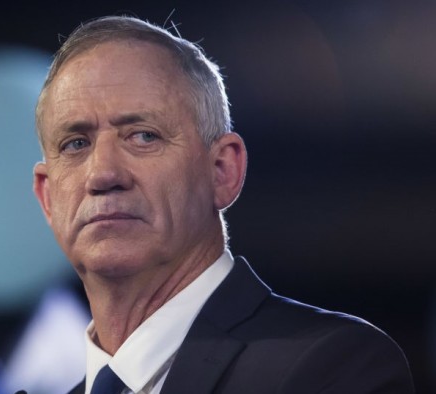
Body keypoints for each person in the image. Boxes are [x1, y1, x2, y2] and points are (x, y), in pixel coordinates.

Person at [31, 15, 414, 393]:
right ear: (48, 197)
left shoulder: (333, 368)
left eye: (143, 136)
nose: (103, 175)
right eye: (76, 144)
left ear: (222, 171)